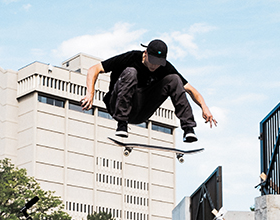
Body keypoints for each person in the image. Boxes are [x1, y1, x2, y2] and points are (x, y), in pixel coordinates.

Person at [81, 39, 217, 143]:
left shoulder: (165, 68)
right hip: (117, 105)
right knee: (130, 72)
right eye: (152, 61)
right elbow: (95, 69)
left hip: (141, 110)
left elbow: (190, 89)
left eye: (159, 63)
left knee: (175, 79)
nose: (155, 66)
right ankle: (122, 124)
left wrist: (204, 107)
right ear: (145, 54)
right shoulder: (130, 58)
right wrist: (90, 94)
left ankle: (188, 129)